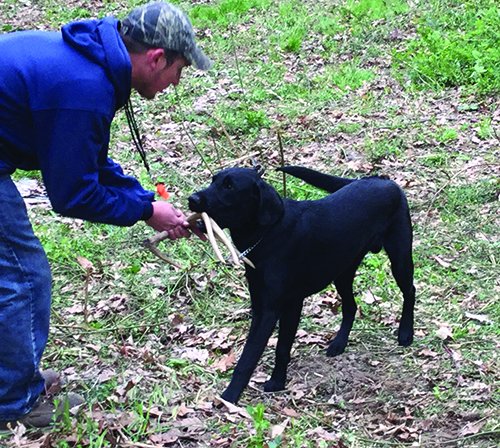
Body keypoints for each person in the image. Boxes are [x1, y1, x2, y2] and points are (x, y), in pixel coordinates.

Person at [0, 1, 213, 430]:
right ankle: (14, 402)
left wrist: (143, 199)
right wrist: (146, 210)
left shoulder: (94, 62)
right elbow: (73, 194)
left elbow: (89, 161)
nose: (177, 82)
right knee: (24, 276)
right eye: (180, 70)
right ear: (156, 58)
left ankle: (12, 376)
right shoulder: (85, 86)